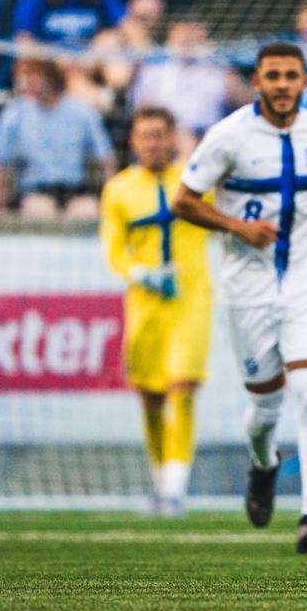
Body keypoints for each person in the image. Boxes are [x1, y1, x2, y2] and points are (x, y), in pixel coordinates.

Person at [172, 43, 307, 552]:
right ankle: (263, 463)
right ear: (257, 83)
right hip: (248, 289)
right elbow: (182, 200)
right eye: (273, 76)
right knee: (264, 411)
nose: (283, 84)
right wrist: (235, 227)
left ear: (306, 81)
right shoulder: (227, 136)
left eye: (292, 75)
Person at [100, 106, 214, 515]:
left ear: (172, 137)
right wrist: (142, 274)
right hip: (146, 305)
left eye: (160, 134)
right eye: (145, 135)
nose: (153, 143)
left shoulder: (195, 179)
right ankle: (160, 482)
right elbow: (114, 252)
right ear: (133, 141)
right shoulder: (118, 190)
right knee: (150, 397)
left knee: (182, 389)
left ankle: (174, 490)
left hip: (190, 298)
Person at [0, 58, 117, 219]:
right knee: (41, 212)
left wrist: (111, 202)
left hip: (75, 191)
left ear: (50, 77)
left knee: (87, 211)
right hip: (34, 192)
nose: (26, 82)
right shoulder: (15, 113)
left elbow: (106, 158)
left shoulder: (82, 111)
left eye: (32, 76)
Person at [129, 21, 229, 156]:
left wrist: (221, 64)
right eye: (183, 35)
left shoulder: (217, 67)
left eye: (193, 36)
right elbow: (141, 108)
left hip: (211, 135)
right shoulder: (154, 69)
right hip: (167, 135)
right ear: (171, 37)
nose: (188, 41)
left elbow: (244, 99)